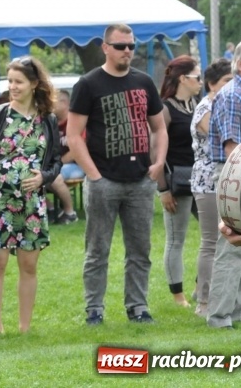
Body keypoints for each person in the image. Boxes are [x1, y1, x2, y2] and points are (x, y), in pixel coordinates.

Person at [67, 24, 168, 325]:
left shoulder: (144, 82)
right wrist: (94, 176)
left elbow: (159, 127)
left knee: (140, 250)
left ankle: (138, 306)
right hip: (104, 181)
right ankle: (94, 309)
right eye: (121, 46)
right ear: (105, 47)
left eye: (131, 46)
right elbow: (74, 135)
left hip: (140, 180)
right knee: (98, 250)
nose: (127, 51)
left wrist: (159, 162)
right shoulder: (88, 84)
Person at [0, 56, 61, 334]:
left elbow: (56, 162)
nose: (12, 86)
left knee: (29, 264)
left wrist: (43, 177)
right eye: (9, 81)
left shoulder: (47, 119)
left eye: (18, 81)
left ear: (34, 84)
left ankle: (25, 327)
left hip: (32, 202)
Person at [205, 39, 241, 329]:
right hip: (234, 176)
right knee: (231, 246)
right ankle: (219, 316)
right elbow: (233, 149)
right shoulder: (232, 94)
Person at [156, 56, 200, 308]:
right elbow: (156, 151)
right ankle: (178, 296)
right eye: (197, 77)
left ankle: (200, 286)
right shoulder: (165, 108)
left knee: (214, 234)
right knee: (176, 239)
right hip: (177, 182)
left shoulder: (197, 105)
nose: (201, 82)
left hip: (202, 181)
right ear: (183, 78)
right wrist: (163, 189)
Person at [190, 58, 233, 316]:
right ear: (211, 84)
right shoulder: (206, 106)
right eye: (226, 81)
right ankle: (203, 302)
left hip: (225, 179)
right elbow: (218, 136)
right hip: (207, 180)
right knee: (210, 242)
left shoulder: (223, 104)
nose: (230, 86)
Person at [46, 89, 82, 225]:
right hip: (59, 165)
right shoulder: (52, 122)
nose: (50, 105)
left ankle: (70, 213)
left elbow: (76, 150)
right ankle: (52, 209)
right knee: (31, 175)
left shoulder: (76, 122)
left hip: (77, 165)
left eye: (53, 102)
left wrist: (56, 164)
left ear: (65, 102)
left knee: (55, 176)